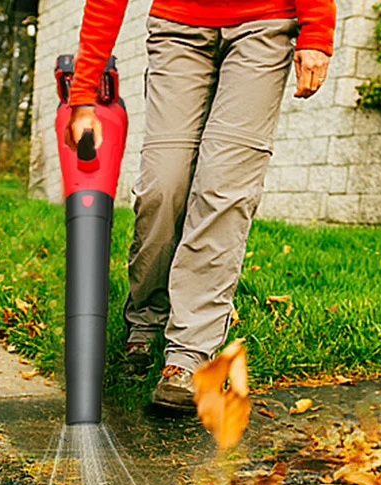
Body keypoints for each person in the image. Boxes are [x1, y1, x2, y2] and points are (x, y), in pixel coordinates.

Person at [66, 0, 336, 409]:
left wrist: (316, 30)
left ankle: (189, 352)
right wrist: (83, 93)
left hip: (264, 25)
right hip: (177, 26)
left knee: (222, 190)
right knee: (163, 185)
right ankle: (146, 317)